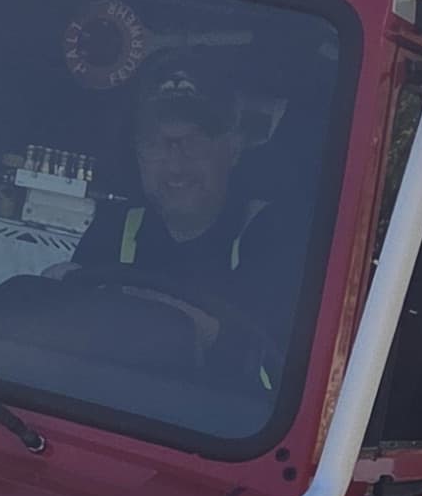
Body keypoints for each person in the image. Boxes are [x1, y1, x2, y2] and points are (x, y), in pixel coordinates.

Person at [66, 66, 289, 378]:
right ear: (137, 154)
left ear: (234, 148)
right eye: (155, 143)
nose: (175, 166)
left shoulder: (269, 235)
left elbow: (270, 367)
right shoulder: (113, 228)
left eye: (194, 142)